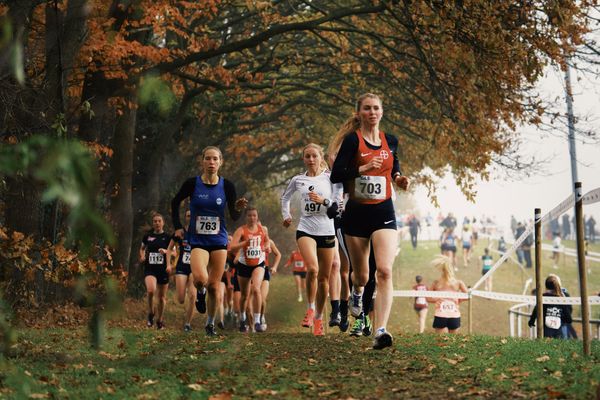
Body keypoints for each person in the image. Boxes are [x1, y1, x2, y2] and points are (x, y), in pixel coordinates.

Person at [330, 93, 410, 349]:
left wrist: (399, 178)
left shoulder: (391, 141)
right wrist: (361, 170)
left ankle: (381, 330)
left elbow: (394, 165)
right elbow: (335, 175)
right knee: (361, 275)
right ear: (359, 113)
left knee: (384, 270)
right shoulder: (353, 141)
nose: (372, 112)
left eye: (376, 108)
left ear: (382, 112)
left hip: (383, 211)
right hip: (356, 213)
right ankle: (356, 293)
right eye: (367, 108)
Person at [171, 146, 248, 336]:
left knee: (214, 286)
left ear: (220, 162)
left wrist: (238, 208)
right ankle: (200, 292)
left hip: (219, 241)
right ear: (202, 161)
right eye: (208, 159)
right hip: (197, 240)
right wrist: (178, 226)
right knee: (200, 279)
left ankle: (210, 323)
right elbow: (175, 202)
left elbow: (235, 216)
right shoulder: (192, 184)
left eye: (215, 159)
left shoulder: (227, 186)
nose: (211, 162)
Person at [281, 143, 341, 336]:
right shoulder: (298, 180)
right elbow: (285, 197)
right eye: (307, 156)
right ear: (304, 159)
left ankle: (318, 320)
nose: (311, 159)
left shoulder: (330, 178)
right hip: (305, 229)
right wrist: (286, 216)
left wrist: (322, 201)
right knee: (313, 269)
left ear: (320, 157)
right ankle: (310, 308)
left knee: (324, 278)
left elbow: (336, 207)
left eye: (314, 156)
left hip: (327, 230)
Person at [230, 207, 271, 333]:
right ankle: (242, 318)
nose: (252, 218)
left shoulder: (262, 229)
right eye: (249, 215)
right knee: (244, 296)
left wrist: (267, 246)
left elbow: (267, 240)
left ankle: (258, 322)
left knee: (256, 289)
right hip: (243, 265)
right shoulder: (241, 230)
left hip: (258, 263)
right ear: (246, 217)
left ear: (257, 217)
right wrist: (244, 243)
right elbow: (232, 247)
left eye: (254, 215)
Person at [139, 213, 171, 330]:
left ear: (163, 223)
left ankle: (160, 320)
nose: (157, 223)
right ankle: (150, 313)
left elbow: (174, 252)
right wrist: (142, 256)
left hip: (163, 270)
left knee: (162, 297)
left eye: (159, 221)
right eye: (155, 221)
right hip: (150, 268)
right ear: (153, 223)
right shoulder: (148, 236)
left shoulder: (168, 237)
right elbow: (142, 248)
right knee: (151, 290)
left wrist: (166, 251)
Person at [166, 210, 196, 331]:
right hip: (182, 267)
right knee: (181, 298)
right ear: (186, 218)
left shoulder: (200, 232)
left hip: (195, 267)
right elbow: (169, 249)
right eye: (188, 215)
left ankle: (187, 324)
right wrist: (168, 264)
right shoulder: (180, 233)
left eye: (192, 215)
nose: (190, 217)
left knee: (193, 295)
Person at [427, 255, 468, 334]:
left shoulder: (436, 283)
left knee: (442, 344)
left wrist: (437, 299)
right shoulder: (458, 283)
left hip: (441, 315)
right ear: (451, 269)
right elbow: (468, 296)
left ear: (441, 270)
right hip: (454, 316)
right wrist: (459, 300)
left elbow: (428, 298)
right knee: (452, 343)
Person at [259, 238, 281, 331]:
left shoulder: (269, 242)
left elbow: (278, 254)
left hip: (264, 271)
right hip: (249, 271)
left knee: (262, 299)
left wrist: (275, 267)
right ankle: (250, 320)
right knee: (250, 298)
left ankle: (261, 317)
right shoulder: (249, 239)